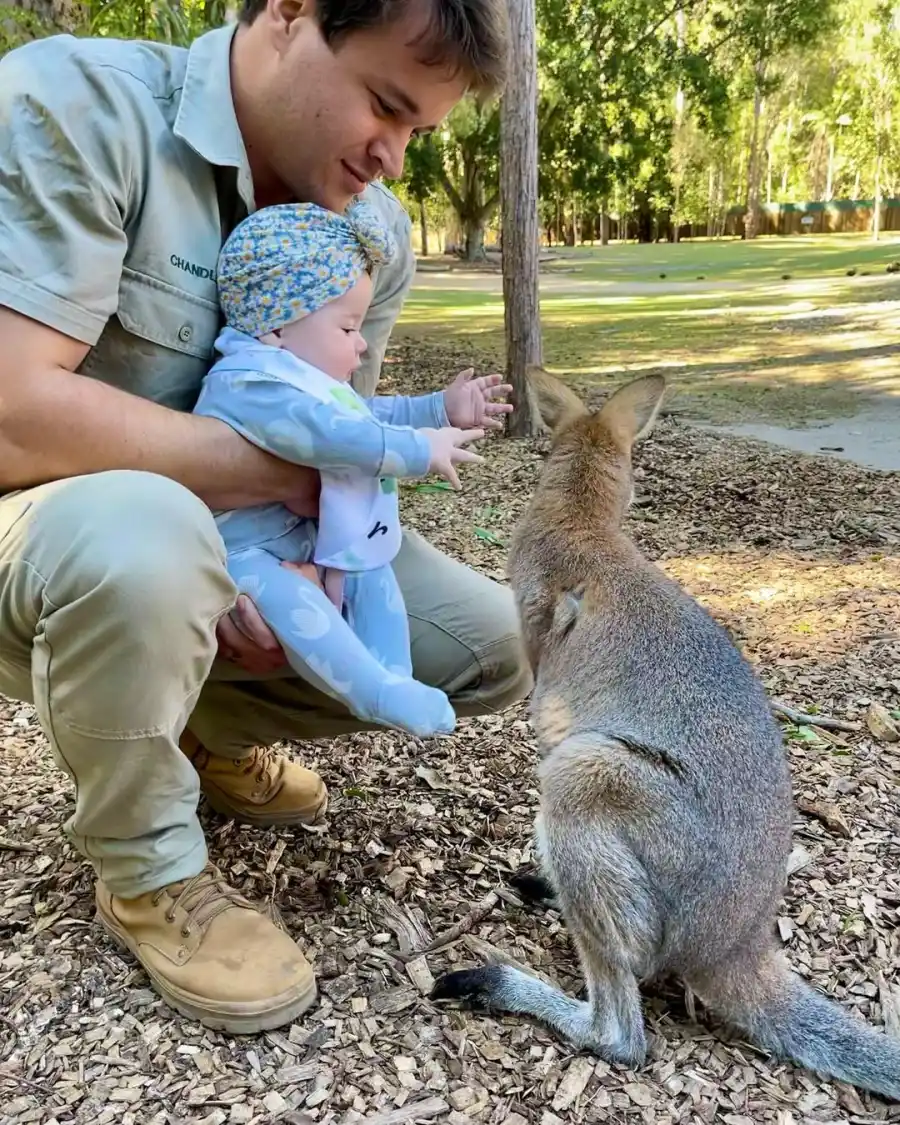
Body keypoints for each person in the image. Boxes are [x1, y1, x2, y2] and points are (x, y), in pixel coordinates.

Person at [0, 0, 528, 1034]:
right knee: (150, 537)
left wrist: (324, 557)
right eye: (385, 104)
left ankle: (199, 731)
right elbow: (11, 413)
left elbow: (340, 435)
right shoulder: (79, 106)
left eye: (421, 131)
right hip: (50, 542)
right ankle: (148, 869)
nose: (396, 158)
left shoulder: (371, 229)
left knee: (492, 645)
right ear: (289, 12)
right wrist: (259, 486)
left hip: (246, 553)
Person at [197, 196, 501, 738]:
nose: (361, 345)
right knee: (287, 601)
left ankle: (395, 673)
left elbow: (363, 412)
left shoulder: (299, 373)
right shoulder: (251, 384)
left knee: (372, 570)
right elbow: (339, 435)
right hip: (242, 551)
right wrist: (418, 451)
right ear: (277, 327)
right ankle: (370, 689)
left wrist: (437, 408)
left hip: (308, 537)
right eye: (346, 329)